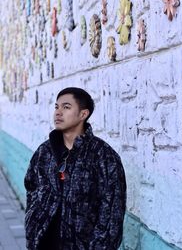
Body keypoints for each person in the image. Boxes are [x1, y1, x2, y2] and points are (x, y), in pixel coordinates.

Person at [24, 87, 126, 250]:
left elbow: (113, 210)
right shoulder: (45, 151)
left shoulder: (103, 156)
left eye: (66, 107)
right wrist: (33, 221)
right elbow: (31, 186)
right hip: (43, 242)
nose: (58, 112)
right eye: (56, 107)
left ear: (83, 114)